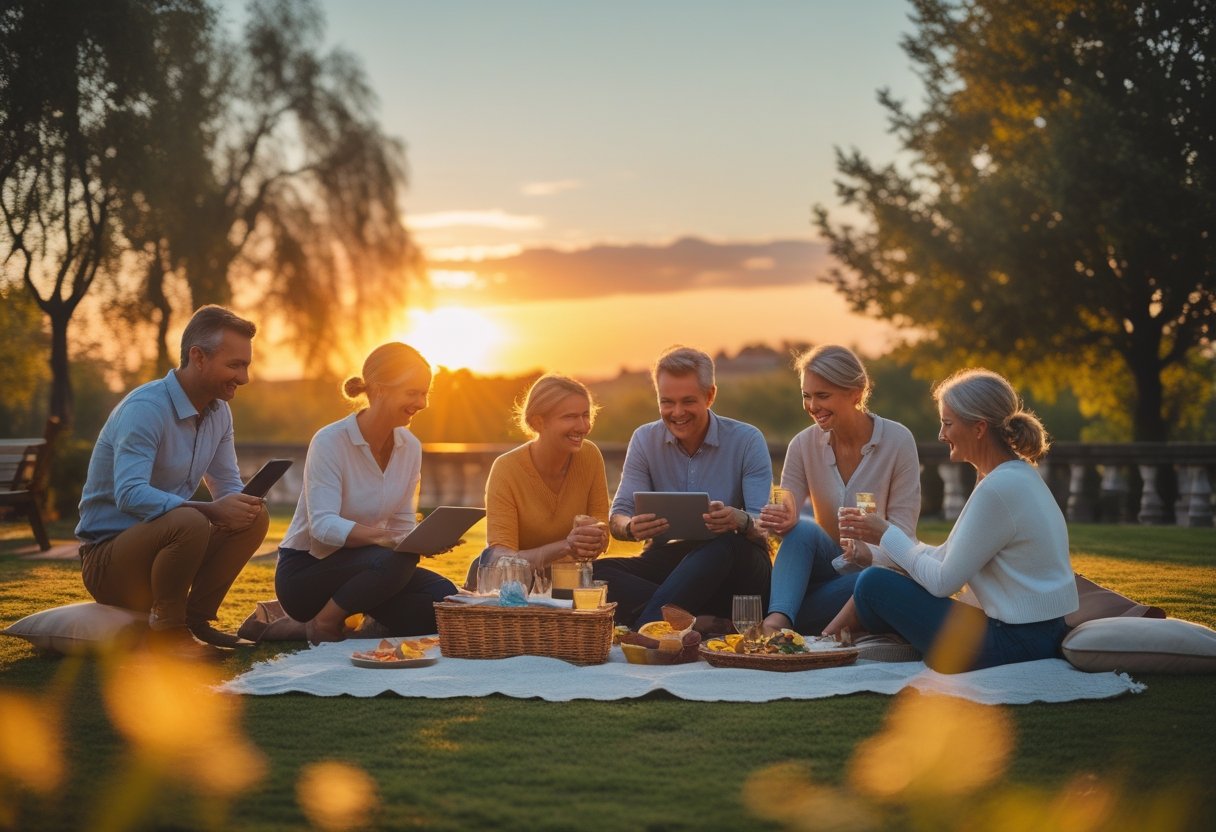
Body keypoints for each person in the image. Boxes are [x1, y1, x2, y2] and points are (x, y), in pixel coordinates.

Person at [834, 368, 1079, 673]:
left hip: (1016, 643)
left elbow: (943, 582)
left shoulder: (999, 489)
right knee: (879, 579)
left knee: (873, 584)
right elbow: (944, 557)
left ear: (979, 428)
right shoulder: (1016, 476)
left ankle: (824, 644)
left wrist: (886, 533)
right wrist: (881, 551)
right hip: (1039, 634)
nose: (941, 435)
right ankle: (835, 641)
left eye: (948, 424)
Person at [76, 305, 269, 655]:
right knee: (191, 519)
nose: (244, 377)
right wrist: (211, 512)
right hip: (108, 562)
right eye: (235, 365)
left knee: (253, 515)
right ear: (198, 357)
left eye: (246, 365)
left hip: (170, 550)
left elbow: (227, 485)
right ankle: (168, 632)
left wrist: (240, 503)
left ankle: (195, 622)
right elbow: (130, 494)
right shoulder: (146, 409)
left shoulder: (219, 411)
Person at [275, 343, 457, 644]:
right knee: (395, 561)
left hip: (373, 569)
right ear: (382, 390)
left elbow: (401, 524)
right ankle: (321, 623)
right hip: (307, 573)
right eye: (412, 392)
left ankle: (366, 619)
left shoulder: (409, 446)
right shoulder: (330, 441)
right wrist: (385, 539)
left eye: (425, 393)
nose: (422, 402)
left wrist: (423, 541)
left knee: (443, 598)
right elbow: (322, 527)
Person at [594, 346, 772, 628]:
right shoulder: (644, 439)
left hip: (734, 567)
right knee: (594, 573)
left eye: (688, 401)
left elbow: (767, 528)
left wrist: (740, 520)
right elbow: (619, 515)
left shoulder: (747, 440)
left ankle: (652, 626)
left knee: (724, 545)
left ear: (710, 395)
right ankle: (699, 622)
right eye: (667, 402)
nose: (677, 413)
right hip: (671, 563)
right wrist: (630, 528)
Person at [758, 345, 921, 635]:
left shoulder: (898, 441)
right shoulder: (802, 444)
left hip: (873, 574)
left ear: (855, 393)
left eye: (823, 396)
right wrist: (782, 518)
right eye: (806, 396)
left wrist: (867, 553)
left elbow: (903, 537)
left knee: (868, 581)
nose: (812, 406)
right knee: (804, 528)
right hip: (820, 574)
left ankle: (793, 615)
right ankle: (777, 621)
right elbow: (786, 506)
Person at [472, 374, 609, 582]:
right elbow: (500, 558)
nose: (583, 426)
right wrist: (566, 545)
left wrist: (594, 539)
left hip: (569, 577)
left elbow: (603, 534)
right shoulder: (507, 468)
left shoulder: (590, 455)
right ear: (538, 422)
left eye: (585, 415)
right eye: (570, 417)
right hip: (515, 584)